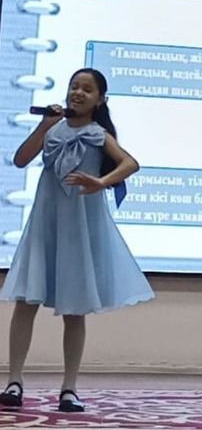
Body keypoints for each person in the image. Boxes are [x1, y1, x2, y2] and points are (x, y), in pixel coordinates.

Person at [0, 68, 154, 413]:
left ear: (100, 99)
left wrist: (101, 182)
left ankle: (69, 387)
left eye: (87, 89)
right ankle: (14, 381)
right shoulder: (53, 128)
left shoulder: (98, 134)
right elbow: (21, 159)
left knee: (74, 310)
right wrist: (43, 127)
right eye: (74, 87)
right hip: (45, 225)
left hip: (77, 231)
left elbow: (130, 163)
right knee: (26, 302)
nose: (78, 93)